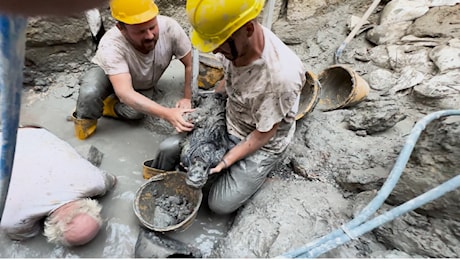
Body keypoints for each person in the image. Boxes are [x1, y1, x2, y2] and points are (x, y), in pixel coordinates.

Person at [151, 0, 306, 215]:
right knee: (169, 149)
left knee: (219, 205)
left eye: (218, 42)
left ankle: (255, 171)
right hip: (231, 114)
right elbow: (228, 80)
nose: (215, 50)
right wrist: (208, 111)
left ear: (248, 29)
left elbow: (264, 134)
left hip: (262, 139)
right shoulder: (237, 46)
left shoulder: (279, 79)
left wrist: (225, 161)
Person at [73, 0, 194, 140]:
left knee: (136, 112)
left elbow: (190, 64)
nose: (149, 35)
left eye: (152, 27)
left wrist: (187, 97)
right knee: (90, 93)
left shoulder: (169, 28)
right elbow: (125, 93)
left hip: (140, 81)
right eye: (140, 31)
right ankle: (85, 120)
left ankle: (108, 106)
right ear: (121, 28)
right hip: (106, 73)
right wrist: (167, 113)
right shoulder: (111, 45)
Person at [0, 126, 117, 246]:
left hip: (31, 130)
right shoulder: (12, 220)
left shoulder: (96, 182)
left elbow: (112, 180)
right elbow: (21, 237)